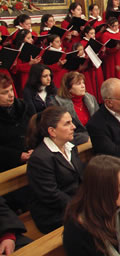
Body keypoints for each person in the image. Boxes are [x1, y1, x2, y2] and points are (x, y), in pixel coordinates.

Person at [26, 105, 84, 234]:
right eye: (67, 124)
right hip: (54, 213)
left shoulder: (70, 147)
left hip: (74, 203)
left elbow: (80, 177)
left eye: (72, 122)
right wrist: (80, 207)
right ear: (52, 131)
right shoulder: (40, 158)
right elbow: (51, 195)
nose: (73, 127)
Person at [55, 72, 99, 145]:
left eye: (83, 83)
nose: (83, 86)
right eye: (79, 84)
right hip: (74, 139)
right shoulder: (59, 104)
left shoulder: (90, 98)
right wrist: (86, 138)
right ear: (68, 88)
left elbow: (99, 120)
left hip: (94, 135)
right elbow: (62, 131)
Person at [0, 73, 32, 172]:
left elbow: (34, 130)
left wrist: (34, 149)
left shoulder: (22, 107)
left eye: (11, 90)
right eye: (5, 92)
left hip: (31, 159)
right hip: (6, 167)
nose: (11, 95)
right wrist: (18, 156)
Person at [12, 29, 42, 95]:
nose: (32, 40)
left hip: (33, 78)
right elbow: (16, 68)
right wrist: (29, 64)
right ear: (22, 40)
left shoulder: (32, 49)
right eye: (28, 38)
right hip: (23, 80)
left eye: (31, 37)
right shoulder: (17, 52)